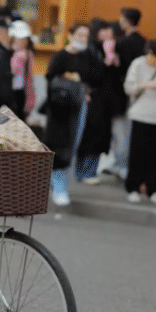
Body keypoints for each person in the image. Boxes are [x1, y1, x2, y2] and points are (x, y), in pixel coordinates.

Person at [43, 23, 104, 206]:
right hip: (60, 108)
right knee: (59, 145)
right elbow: (51, 78)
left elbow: (97, 78)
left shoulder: (89, 57)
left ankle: (60, 184)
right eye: (79, 35)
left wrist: (84, 88)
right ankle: (58, 185)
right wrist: (68, 80)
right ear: (70, 35)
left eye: (86, 36)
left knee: (72, 145)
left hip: (80, 107)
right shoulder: (60, 56)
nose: (82, 39)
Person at [124, 39, 156, 204]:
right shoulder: (138, 64)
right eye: (154, 55)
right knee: (137, 154)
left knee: (155, 156)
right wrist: (144, 85)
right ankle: (133, 187)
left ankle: (152, 188)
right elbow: (128, 87)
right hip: (140, 115)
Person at [105, 7, 147, 180]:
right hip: (140, 92)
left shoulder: (121, 43)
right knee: (131, 131)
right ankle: (126, 165)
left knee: (120, 131)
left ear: (127, 21)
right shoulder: (144, 42)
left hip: (120, 93)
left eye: (121, 18)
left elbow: (117, 70)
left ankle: (121, 165)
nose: (119, 21)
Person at [75, 19, 118, 185]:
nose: (108, 33)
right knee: (91, 136)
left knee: (96, 136)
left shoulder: (102, 48)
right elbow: (92, 74)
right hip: (93, 98)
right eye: (104, 30)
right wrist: (106, 62)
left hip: (103, 99)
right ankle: (85, 172)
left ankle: (88, 172)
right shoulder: (90, 50)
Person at [9, 19, 36, 121]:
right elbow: (10, 72)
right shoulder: (5, 53)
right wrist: (18, 58)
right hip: (7, 94)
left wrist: (30, 102)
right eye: (19, 38)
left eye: (25, 38)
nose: (23, 41)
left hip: (20, 94)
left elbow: (30, 80)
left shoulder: (28, 54)